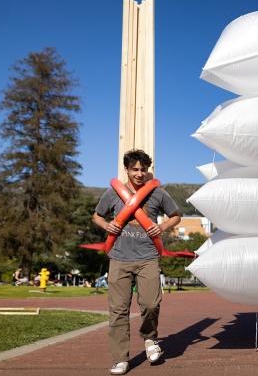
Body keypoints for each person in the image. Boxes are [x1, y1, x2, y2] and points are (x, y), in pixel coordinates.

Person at [92, 149, 181, 375]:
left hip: (148, 257)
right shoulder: (112, 193)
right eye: (135, 169)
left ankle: (150, 339)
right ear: (127, 170)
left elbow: (176, 215)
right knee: (118, 311)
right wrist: (106, 226)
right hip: (119, 258)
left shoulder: (158, 194)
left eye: (143, 169)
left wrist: (161, 227)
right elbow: (97, 216)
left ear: (148, 170)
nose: (140, 174)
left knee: (151, 304)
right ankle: (120, 358)